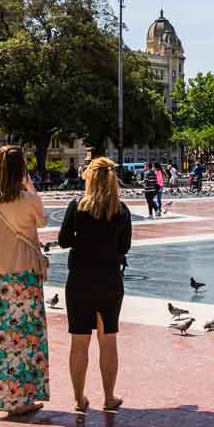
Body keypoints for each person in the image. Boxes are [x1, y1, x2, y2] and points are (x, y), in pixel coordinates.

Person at [0, 145, 50, 417]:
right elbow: (42, 221)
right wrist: (30, 186)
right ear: (21, 170)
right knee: (25, 341)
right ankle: (22, 399)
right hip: (25, 277)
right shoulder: (28, 199)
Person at [58, 157, 131, 412]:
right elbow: (125, 247)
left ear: (89, 177)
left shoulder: (77, 206)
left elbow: (63, 240)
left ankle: (79, 399)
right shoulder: (121, 210)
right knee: (108, 340)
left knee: (79, 342)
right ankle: (109, 397)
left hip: (80, 279)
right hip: (110, 279)